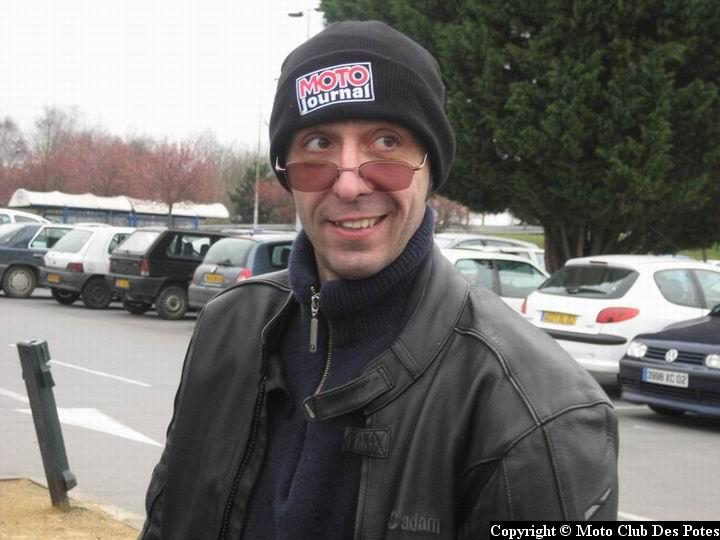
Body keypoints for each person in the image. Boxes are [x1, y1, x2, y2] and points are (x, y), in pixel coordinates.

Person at [141, 20, 618, 539]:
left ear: (430, 168)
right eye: (319, 143)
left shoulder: (540, 412)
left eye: (387, 141)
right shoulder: (226, 329)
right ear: (288, 173)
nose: (349, 184)